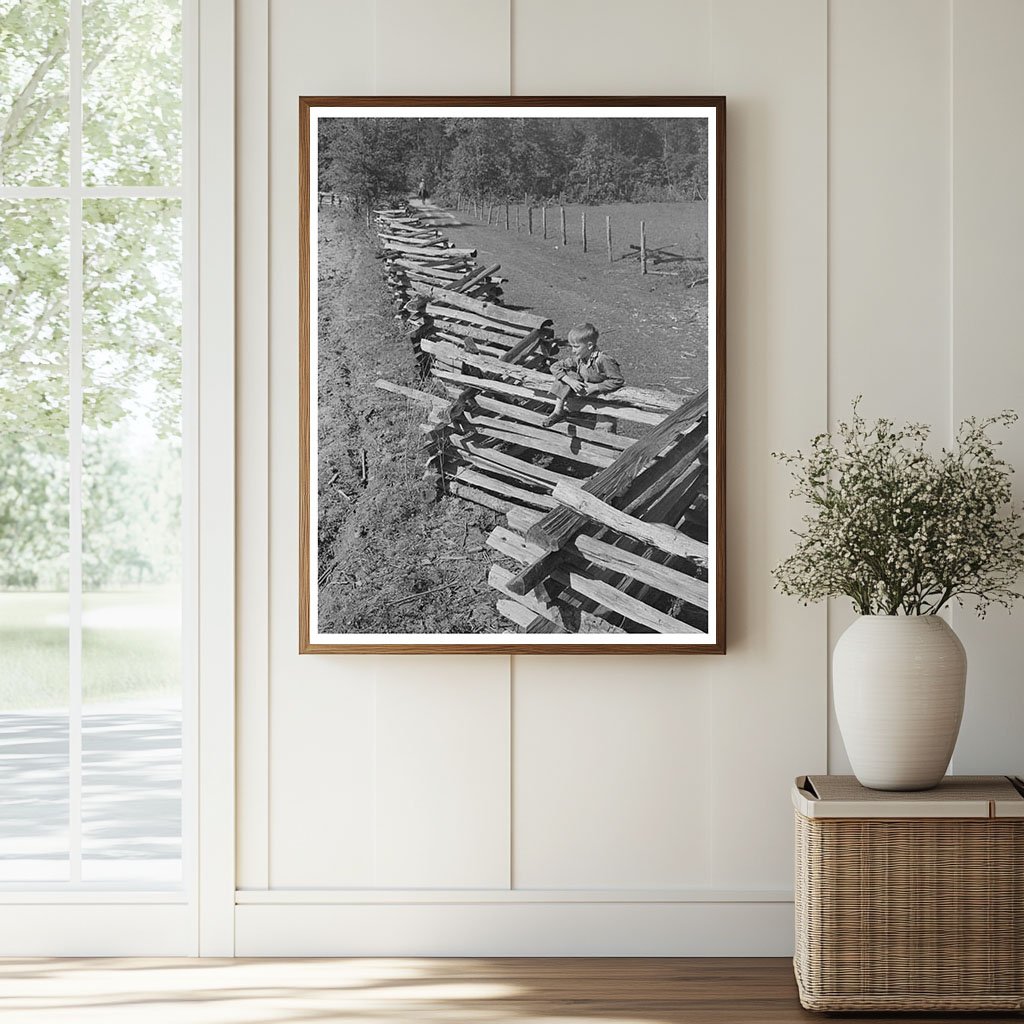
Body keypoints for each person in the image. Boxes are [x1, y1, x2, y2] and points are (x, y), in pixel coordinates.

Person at [542, 322, 624, 428]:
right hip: (585, 398)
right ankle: (558, 411)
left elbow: (617, 380)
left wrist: (596, 387)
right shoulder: (579, 358)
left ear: (589, 345)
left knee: (604, 429)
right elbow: (555, 366)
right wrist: (569, 380)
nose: (573, 350)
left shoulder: (603, 360)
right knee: (567, 374)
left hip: (603, 400)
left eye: (576, 347)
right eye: (572, 346)